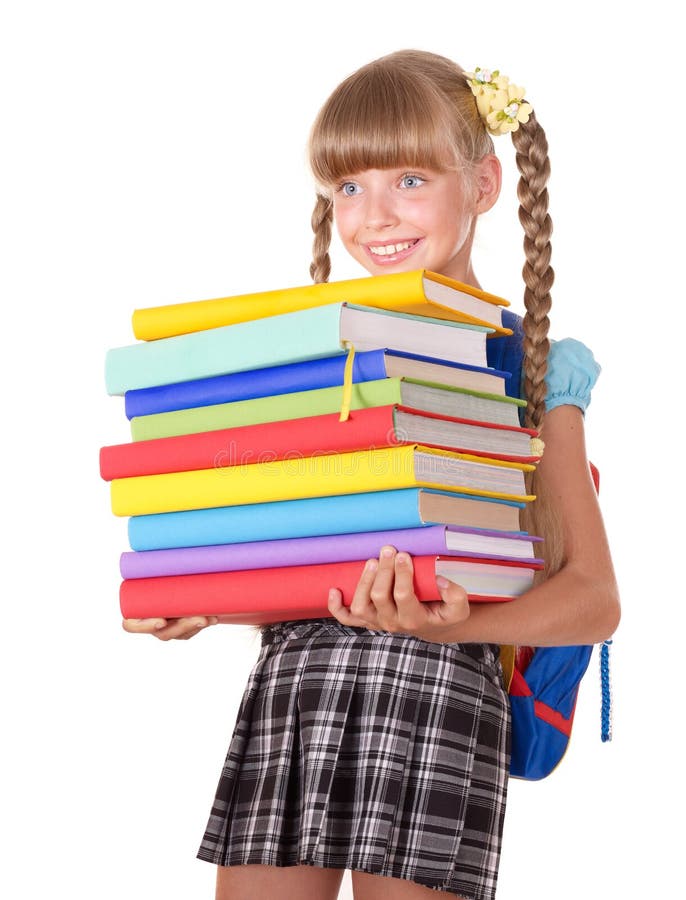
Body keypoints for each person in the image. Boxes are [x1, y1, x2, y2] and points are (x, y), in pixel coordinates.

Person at [123, 50, 620, 900]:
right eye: (348, 187)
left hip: (439, 688)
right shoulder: (310, 349)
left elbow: (595, 599)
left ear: (486, 183)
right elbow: (302, 548)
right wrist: (211, 597)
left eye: (410, 179)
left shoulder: (534, 369)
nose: (374, 216)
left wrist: (441, 629)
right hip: (297, 682)